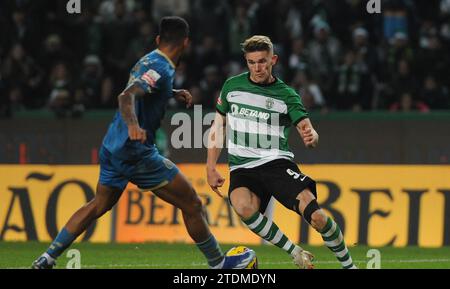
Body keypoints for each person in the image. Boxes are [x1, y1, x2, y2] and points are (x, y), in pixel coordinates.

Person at [32, 16, 254, 269]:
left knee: (98, 204)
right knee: (192, 202)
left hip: (111, 147)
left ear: (159, 40)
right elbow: (126, 96)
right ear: (186, 43)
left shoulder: (149, 60)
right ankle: (218, 264)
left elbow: (143, 86)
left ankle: (47, 258)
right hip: (135, 152)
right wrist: (134, 125)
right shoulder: (163, 68)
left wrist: (171, 93)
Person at [206, 35, 356, 269]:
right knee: (242, 206)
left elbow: (308, 130)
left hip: (276, 164)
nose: (257, 67)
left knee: (318, 218)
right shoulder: (231, 87)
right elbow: (218, 127)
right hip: (242, 167)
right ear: (246, 62)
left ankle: (349, 266)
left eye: (262, 61)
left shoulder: (287, 94)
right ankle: (294, 252)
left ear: (273, 59)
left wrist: (311, 137)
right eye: (252, 62)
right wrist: (211, 166)